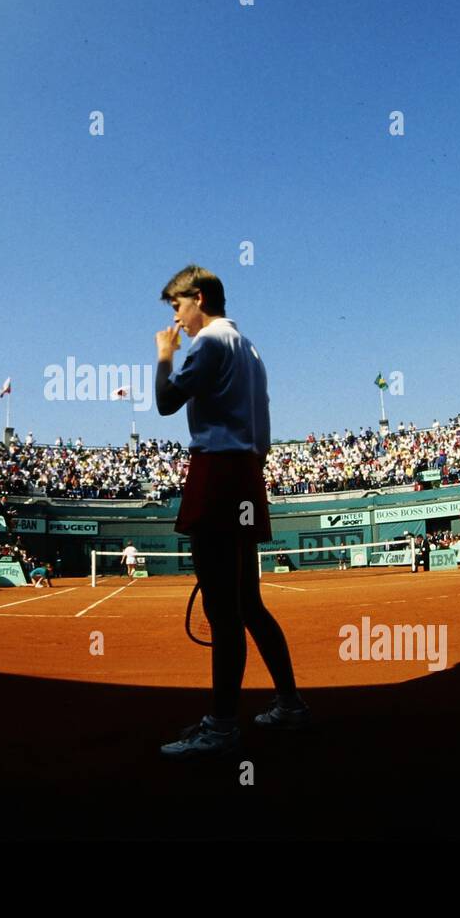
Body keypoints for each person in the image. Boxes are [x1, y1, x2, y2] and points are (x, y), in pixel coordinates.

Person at [153, 264, 311, 760]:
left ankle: (222, 727)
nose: (176, 318)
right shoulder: (252, 350)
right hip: (245, 473)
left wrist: (164, 356)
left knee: (223, 614)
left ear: (198, 298)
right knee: (249, 605)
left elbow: (164, 403)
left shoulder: (209, 344)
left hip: (217, 472)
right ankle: (289, 704)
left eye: (177, 306)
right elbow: (261, 428)